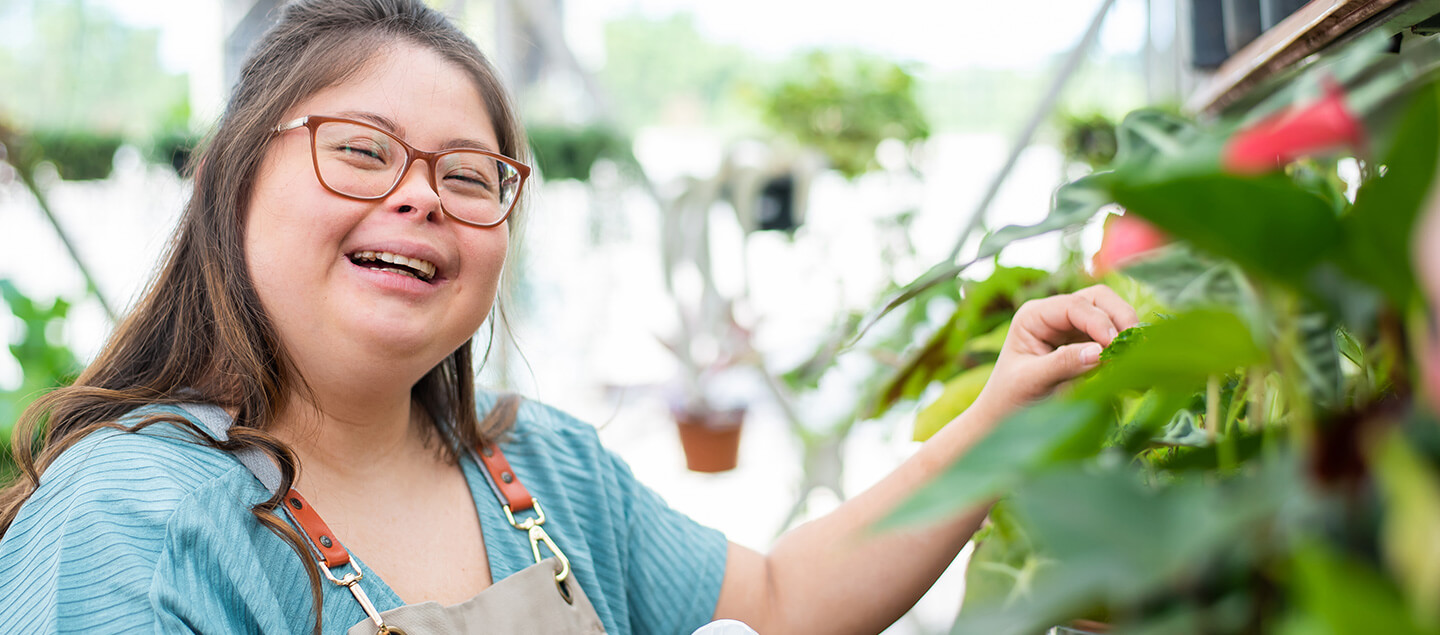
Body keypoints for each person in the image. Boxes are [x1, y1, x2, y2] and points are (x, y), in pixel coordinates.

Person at [0, 1, 1137, 633]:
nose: (416, 194)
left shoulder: (538, 466)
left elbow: (788, 597)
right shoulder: (131, 518)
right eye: (359, 151)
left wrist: (1002, 417)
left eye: (468, 173)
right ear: (234, 185)